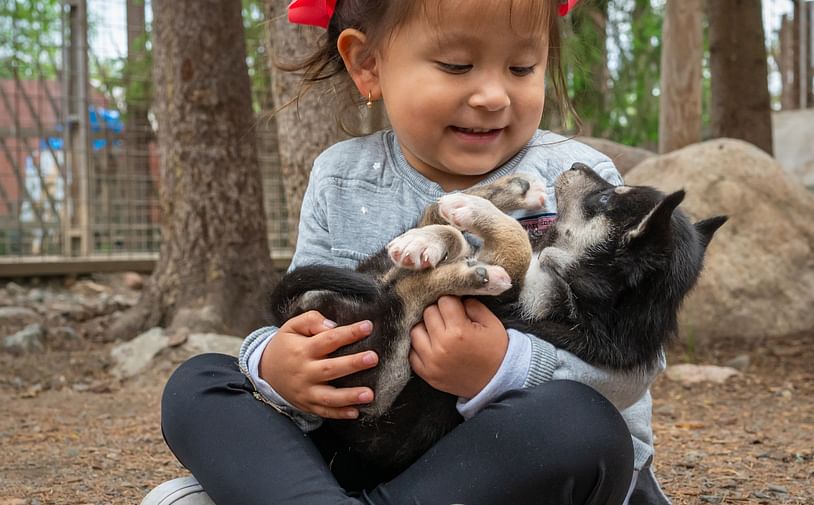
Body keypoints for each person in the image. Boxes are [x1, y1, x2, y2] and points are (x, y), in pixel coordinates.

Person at [142, 0, 672, 504]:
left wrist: (503, 368)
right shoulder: (341, 174)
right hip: (364, 446)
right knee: (201, 383)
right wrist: (280, 364)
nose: (494, 95)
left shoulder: (575, 181)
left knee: (582, 425)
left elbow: (629, 372)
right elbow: (309, 306)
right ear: (367, 64)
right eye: (457, 65)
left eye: (521, 67)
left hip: (501, 464)